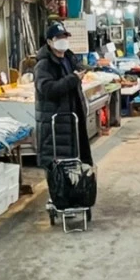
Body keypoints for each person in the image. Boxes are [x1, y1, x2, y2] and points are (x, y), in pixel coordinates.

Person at [34, 21, 92, 169]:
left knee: (74, 167)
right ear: (49, 42)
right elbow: (48, 89)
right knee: (58, 170)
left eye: (65, 37)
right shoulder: (44, 65)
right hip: (55, 125)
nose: (63, 40)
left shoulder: (69, 59)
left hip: (72, 121)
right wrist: (73, 78)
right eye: (58, 38)